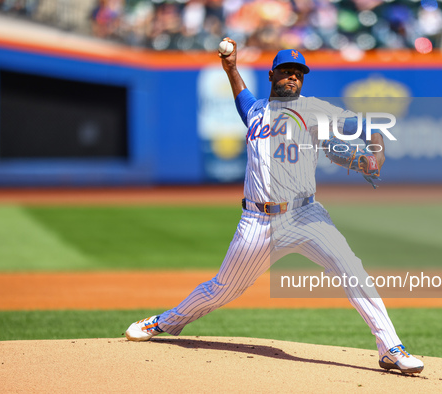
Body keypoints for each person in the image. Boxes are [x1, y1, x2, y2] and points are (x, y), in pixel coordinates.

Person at [125, 40, 424, 374]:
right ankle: (163, 322)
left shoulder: (314, 110)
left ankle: (390, 348)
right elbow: (242, 97)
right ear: (272, 75)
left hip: (305, 215)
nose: (292, 77)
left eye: (298, 73)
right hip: (257, 221)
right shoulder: (255, 112)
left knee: (351, 269)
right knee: (222, 289)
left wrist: (375, 151)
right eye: (286, 71)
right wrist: (231, 68)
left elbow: (368, 126)